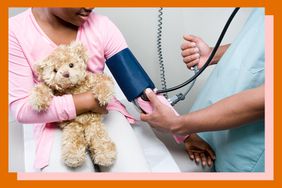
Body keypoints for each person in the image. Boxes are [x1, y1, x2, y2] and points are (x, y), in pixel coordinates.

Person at [9, 7, 153, 172]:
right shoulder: (14, 31)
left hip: (104, 111)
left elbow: (140, 88)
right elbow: (22, 109)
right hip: (57, 120)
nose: (90, 5)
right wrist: (88, 101)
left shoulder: (102, 26)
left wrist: (182, 133)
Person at [141, 8, 265, 172]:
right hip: (213, 124)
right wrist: (212, 55)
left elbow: (266, 100)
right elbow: (260, 42)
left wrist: (178, 125)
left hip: (246, 147)